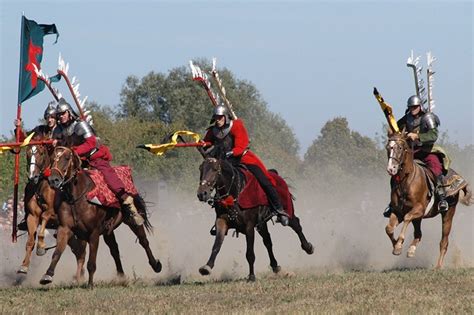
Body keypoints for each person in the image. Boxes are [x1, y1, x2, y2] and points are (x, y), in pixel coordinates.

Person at [53, 98, 144, 226]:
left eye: (63, 113)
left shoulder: (80, 125)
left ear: (69, 112)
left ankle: (127, 202)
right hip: (75, 161)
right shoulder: (58, 130)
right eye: (59, 115)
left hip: (93, 157)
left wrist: (74, 152)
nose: (61, 116)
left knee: (108, 175)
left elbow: (91, 143)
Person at [203, 105, 289, 226]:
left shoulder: (237, 126)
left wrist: (231, 152)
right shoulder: (213, 130)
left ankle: (279, 210)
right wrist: (203, 144)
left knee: (264, 180)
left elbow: (241, 146)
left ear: (226, 117)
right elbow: (208, 142)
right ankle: (221, 215)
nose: (218, 120)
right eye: (216, 117)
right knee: (214, 180)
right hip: (226, 162)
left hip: (242, 159)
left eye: (220, 117)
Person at [383, 95, 448, 217]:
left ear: (420, 107)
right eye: (411, 107)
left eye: (415, 107)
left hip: (427, 150)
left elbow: (433, 135)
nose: (413, 109)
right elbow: (396, 127)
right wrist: (392, 131)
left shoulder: (427, 117)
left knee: (435, 168)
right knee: (397, 172)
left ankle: (441, 198)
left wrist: (418, 136)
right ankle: (393, 203)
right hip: (412, 151)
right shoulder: (407, 118)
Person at [14, 102, 59, 231]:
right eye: (48, 117)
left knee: (64, 187)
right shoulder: (40, 130)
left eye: (52, 117)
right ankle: (28, 215)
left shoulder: (61, 130)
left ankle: (67, 213)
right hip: (41, 168)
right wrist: (19, 128)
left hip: (57, 166)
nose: (50, 120)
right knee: (29, 188)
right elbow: (25, 140)